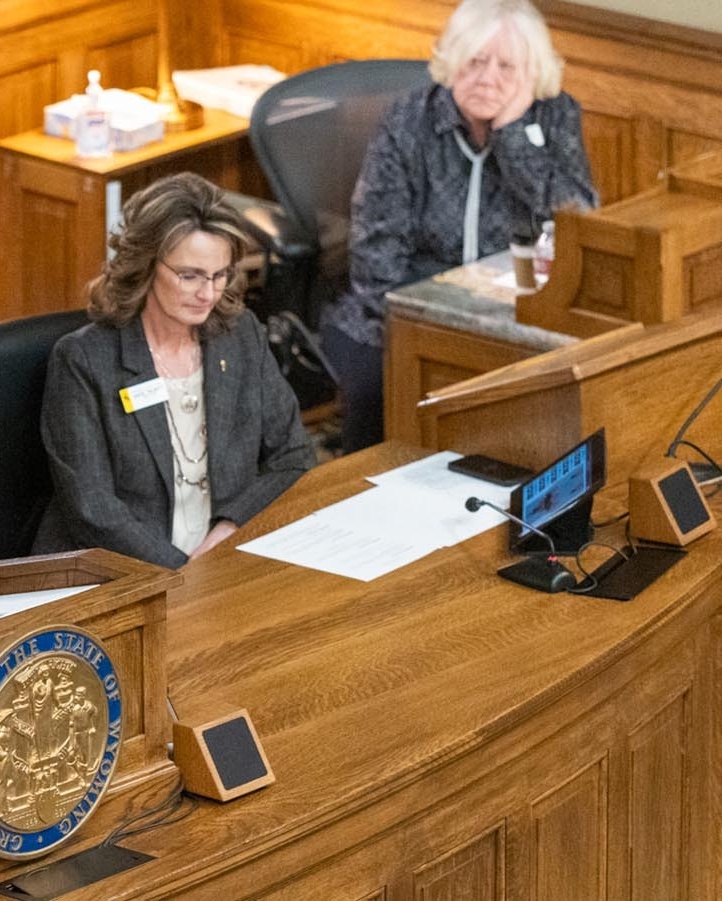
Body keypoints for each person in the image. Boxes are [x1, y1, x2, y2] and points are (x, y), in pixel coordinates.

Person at [324, 0, 597, 452]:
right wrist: (427, 323)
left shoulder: (556, 115)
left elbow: (578, 219)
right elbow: (377, 248)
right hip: (405, 306)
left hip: (520, 308)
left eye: (507, 66)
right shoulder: (410, 119)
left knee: (552, 401)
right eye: (475, 61)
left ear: (532, 73)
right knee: (378, 388)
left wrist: (513, 134)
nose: (488, 77)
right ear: (452, 60)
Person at [34, 173, 314, 569]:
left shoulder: (240, 336)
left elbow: (294, 456)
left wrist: (228, 531)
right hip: (125, 574)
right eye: (189, 276)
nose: (208, 294)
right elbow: (93, 510)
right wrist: (184, 575)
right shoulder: (84, 359)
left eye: (220, 275)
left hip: (223, 565)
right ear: (145, 264)